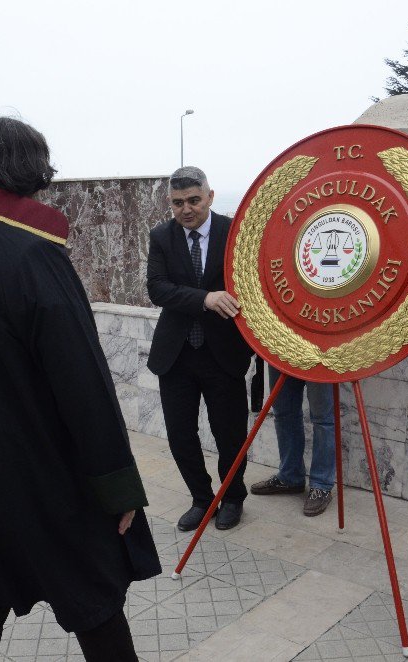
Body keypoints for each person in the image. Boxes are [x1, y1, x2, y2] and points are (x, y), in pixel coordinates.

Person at [0, 116, 159, 662]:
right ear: (25, 170)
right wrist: (117, 487)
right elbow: (82, 382)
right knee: (95, 597)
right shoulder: (33, 254)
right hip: (37, 472)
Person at [146, 166, 253, 532]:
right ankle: (201, 499)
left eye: (194, 199)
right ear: (170, 203)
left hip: (223, 353)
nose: (186, 209)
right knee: (180, 434)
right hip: (176, 355)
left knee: (230, 434)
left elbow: (251, 284)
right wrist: (205, 298)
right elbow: (157, 288)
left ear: (209, 195)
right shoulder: (161, 236)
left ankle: (233, 497)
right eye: (178, 203)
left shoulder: (235, 231)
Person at [250, 369, 336, 516]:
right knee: (283, 411)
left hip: (321, 352)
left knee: (323, 419)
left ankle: (321, 485)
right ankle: (290, 476)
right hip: (282, 347)